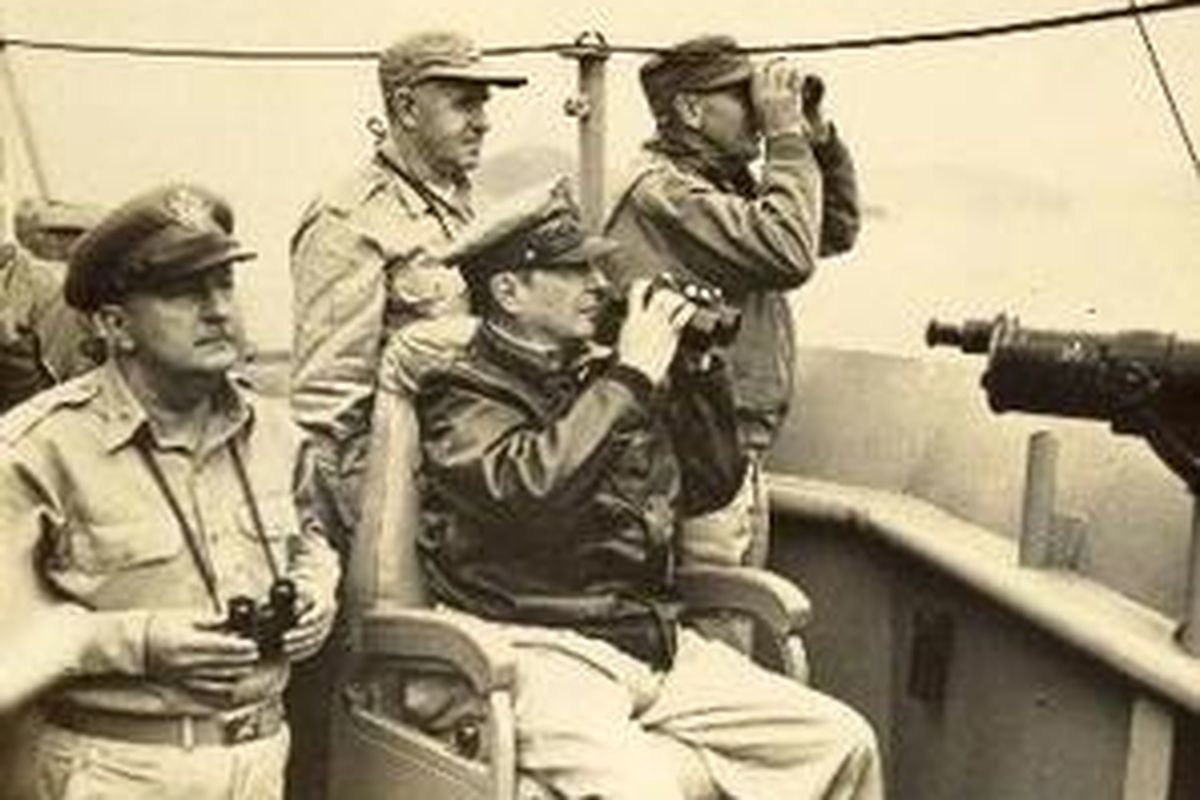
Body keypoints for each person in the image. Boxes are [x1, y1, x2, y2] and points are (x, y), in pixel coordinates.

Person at [412, 188, 883, 799]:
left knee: (842, 741)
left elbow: (710, 486)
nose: (598, 284)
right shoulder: (462, 393)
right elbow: (527, 489)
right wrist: (631, 376)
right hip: (534, 647)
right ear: (508, 292)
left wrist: (697, 371)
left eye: (596, 268)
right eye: (572, 270)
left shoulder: (596, 377)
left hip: (647, 642)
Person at [0, 183, 340, 800]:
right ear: (115, 325)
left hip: (261, 759)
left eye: (224, 285)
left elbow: (310, 534)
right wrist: (139, 644)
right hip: (118, 769)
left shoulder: (278, 433)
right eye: (184, 292)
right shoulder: (37, 451)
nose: (218, 310)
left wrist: (317, 590)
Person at [604, 35, 861, 568]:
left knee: (735, 599)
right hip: (686, 455)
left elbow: (833, 230)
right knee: (716, 603)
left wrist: (817, 140)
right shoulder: (664, 193)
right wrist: (784, 138)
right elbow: (790, 254)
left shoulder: (717, 183)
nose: (759, 109)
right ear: (691, 109)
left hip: (729, 445)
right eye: (744, 97)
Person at [289, 30, 527, 558]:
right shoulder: (349, 219)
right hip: (410, 500)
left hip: (486, 483)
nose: (483, 121)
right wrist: (383, 538)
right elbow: (329, 408)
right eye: (464, 104)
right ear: (406, 108)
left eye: (484, 104)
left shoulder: (480, 207)